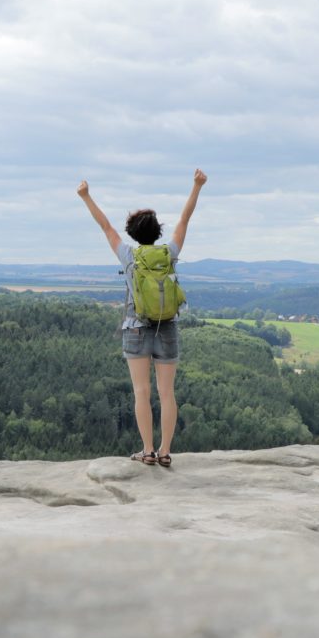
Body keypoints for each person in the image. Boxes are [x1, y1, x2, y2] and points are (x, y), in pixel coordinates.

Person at [76, 169, 207, 467]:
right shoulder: (169, 253)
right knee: (167, 393)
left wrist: (86, 196)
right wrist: (196, 186)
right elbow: (185, 220)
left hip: (135, 330)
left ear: (133, 234)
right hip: (168, 328)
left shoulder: (129, 257)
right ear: (157, 232)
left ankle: (147, 450)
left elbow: (106, 226)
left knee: (141, 392)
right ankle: (164, 452)